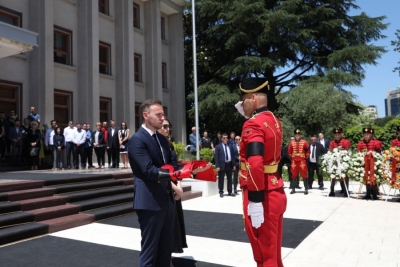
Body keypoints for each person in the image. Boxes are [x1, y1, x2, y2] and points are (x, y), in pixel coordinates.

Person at [128, 99, 210, 267]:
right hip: (150, 202)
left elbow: (171, 165)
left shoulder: (162, 139)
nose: (162, 118)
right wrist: (181, 172)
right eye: (158, 115)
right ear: (145, 115)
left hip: (168, 202)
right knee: (150, 253)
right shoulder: (137, 140)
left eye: (162, 114)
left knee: (165, 252)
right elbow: (149, 171)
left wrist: (192, 169)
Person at [236, 78, 286, 267]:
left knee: (264, 258)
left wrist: (255, 200)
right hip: (275, 188)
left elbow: (255, 163)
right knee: (274, 256)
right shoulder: (274, 120)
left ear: (253, 97)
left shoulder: (253, 124)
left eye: (244, 100)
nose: (242, 104)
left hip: (261, 194)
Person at [157, 117, 188, 265]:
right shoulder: (156, 146)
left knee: (173, 225)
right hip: (163, 188)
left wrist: (179, 185)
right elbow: (158, 171)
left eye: (169, 126)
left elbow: (176, 167)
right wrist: (174, 187)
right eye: (164, 126)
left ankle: (168, 258)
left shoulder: (170, 146)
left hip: (175, 188)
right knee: (163, 228)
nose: (167, 129)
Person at [357, 127, 381, 200]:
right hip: (364, 164)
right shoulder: (360, 144)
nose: (366, 135)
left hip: (374, 165)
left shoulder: (376, 143)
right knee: (366, 178)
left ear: (371, 135)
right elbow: (358, 154)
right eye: (365, 134)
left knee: (373, 178)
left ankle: (374, 194)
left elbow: (380, 153)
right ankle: (367, 193)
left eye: (368, 134)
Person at [329, 127, 352, 197]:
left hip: (343, 162)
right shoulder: (332, 142)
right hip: (334, 162)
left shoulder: (346, 142)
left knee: (345, 176)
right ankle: (332, 191)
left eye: (338, 134)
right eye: (335, 134)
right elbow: (330, 151)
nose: (337, 135)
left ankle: (345, 190)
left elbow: (348, 151)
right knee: (333, 176)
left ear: (341, 134)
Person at [214, 133, 238, 197]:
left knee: (230, 179)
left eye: (227, 138)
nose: (226, 139)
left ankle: (230, 191)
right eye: (224, 138)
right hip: (222, 165)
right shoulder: (218, 146)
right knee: (221, 179)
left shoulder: (230, 146)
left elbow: (232, 156)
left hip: (229, 164)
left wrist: (234, 165)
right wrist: (217, 166)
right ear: (221, 139)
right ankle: (221, 191)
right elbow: (216, 157)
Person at [288, 129, 310, 195]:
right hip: (294, 161)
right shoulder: (291, 143)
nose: (297, 136)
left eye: (298, 135)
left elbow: (308, 151)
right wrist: (292, 158)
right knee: (293, 174)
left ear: (300, 135)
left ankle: (306, 189)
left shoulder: (304, 142)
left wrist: (305, 158)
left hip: (302, 161)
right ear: (294, 135)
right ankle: (293, 188)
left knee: (304, 174)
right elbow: (289, 152)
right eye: (296, 135)